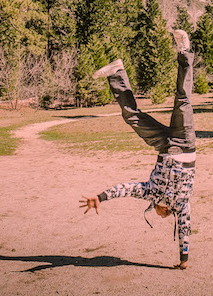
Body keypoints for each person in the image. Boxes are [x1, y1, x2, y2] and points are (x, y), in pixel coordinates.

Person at [80, 29, 195, 270]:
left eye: (156, 214)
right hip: (184, 142)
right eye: (163, 216)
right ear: (168, 213)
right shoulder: (182, 206)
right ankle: (184, 51)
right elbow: (185, 230)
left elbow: (125, 189)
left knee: (132, 117)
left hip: (164, 147)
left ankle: (116, 72)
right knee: (182, 99)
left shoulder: (150, 193)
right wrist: (184, 261)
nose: (160, 215)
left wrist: (100, 197)